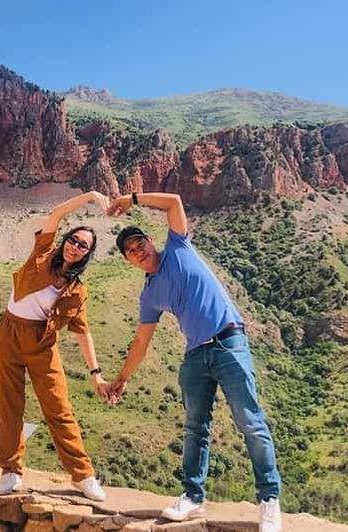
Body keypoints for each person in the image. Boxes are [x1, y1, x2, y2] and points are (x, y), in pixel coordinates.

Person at [107, 192, 282, 531]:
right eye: (130, 251)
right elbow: (142, 340)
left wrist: (133, 199)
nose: (138, 251)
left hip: (228, 341)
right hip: (195, 355)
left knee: (250, 422)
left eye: (139, 243)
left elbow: (173, 201)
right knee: (194, 429)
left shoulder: (177, 247)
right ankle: (192, 497)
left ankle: (269, 500)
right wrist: (123, 377)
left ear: (149, 241)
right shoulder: (149, 295)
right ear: (128, 261)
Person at [0, 191, 111, 501]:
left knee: (58, 408)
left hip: (40, 344)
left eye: (83, 245)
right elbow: (56, 213)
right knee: (9, 405)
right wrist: (89, 196)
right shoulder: (42, 252)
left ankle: (82, 475)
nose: (75, 246)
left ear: (88, 254)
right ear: (65, 241)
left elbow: (82, 333)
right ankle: (10, 471)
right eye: (73, 240)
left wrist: (96, 373)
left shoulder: (77, 291)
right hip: (8, 333)